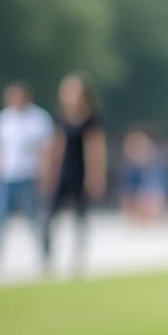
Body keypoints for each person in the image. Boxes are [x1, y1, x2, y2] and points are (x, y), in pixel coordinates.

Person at [41, 73, 107, 274]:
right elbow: (55, 147)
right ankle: (47, 256)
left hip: (81, 172)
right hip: (63, 171)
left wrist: (96, 176)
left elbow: (95, 149)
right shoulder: (60, 118)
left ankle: (78, 258)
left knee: (80, 217)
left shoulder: (91, 119)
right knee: (50, 216)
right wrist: (49, 172)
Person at [0, 82, 53, 270]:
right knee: (0, 217)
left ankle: (43, 254)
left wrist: (45, 175)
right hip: (6, 175)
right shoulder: (4, 119)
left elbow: (46, 150)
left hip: (29, 175)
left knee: (33, 217)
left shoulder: (38, 119)